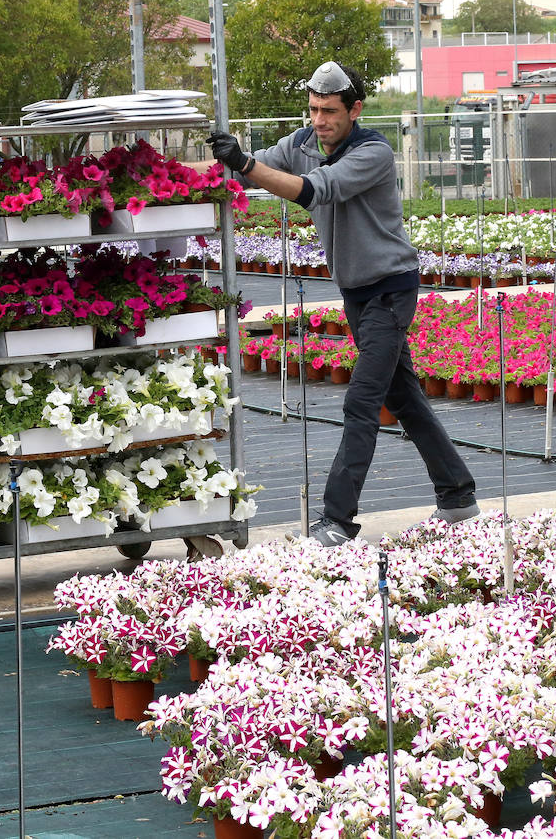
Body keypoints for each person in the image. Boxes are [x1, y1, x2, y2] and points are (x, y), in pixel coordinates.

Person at [205, 60, 479, 547]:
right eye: (313, 110)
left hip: (390, 290)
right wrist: (207, 168)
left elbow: (313, 191)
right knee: (404, 399)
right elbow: (255, 170)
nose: (319, 121)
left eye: (329, 111)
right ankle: (458, 496)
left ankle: (337, 519)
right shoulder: (304, 142)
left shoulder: (373, 152)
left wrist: (244, 163)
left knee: (361, 402)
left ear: (354, 110)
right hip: (356, 292)